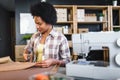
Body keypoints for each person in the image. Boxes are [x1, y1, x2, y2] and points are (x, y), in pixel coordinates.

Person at [23, 2, 71, 68]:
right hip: (35, 72)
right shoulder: (35, 36)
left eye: (39, 24)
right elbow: (27, 50)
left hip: (52, 74)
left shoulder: (61, 38)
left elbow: (68, 62)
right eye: (35, 23)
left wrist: (55, 61)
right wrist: (26, 54)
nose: (37, 27)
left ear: (49, 21)